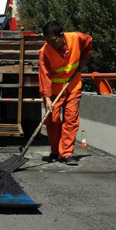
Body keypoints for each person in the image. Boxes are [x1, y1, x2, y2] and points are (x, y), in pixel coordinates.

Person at [39, 20, 92, 165]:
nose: (51, 44)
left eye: (53, 41)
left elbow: (89, 41)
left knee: (70, 120)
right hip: (55, 92)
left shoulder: (76, 38)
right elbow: (44, 75)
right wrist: (48, 98)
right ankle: (55, 151)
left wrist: (84, 59)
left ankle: (67, 153)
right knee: (53, 121)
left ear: (61, 35)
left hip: (73, 87)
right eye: (48, 41)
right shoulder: (45, 52)